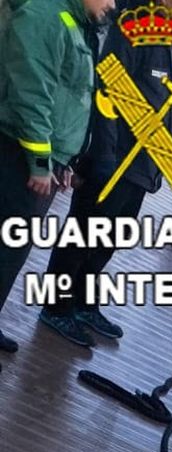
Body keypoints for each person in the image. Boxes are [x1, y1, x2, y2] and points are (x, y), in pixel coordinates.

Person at [40, 0, 172, 349]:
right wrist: (103, 158)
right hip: (113, 159)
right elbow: (107, 95)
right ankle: (55, 307)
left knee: (109, 240)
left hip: (140, 166)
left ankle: (84, 303)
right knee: (82, 235)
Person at [0, 0, 117, 357]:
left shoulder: (74, 22)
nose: (112, 4)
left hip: (47, 161)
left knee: (14, 251)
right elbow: (32, 95)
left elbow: (70, 98)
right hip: (18, 156)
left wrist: (64, 161)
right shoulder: (45, 16)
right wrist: (39, 162)